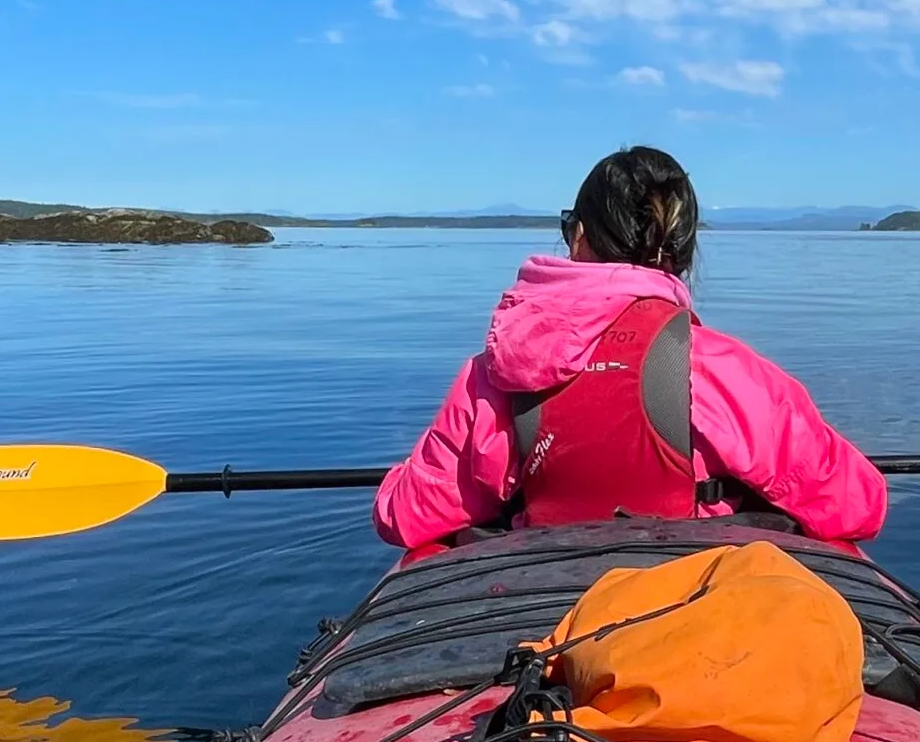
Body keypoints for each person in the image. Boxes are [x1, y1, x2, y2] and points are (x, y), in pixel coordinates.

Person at [373, 145, 887, 548]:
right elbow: (857, 505)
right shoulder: (720, 369)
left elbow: (404, 516)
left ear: (577, 236)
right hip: (689, 599)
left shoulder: (496, 373)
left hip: (543, 603)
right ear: (681, 253)